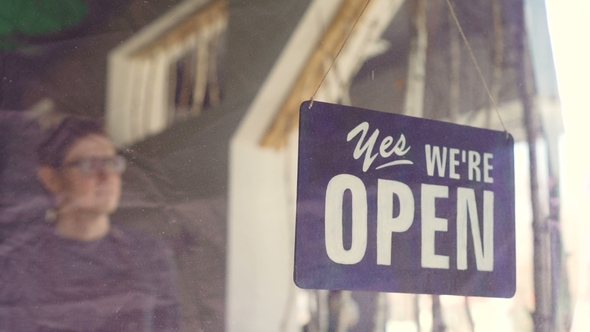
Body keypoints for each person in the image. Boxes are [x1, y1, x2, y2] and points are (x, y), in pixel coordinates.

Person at [0, 117, 182, 331]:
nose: (106, 176)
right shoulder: (17, 263)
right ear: (51, 179)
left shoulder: (150, 254)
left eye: (112, 163)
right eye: (87, 165)